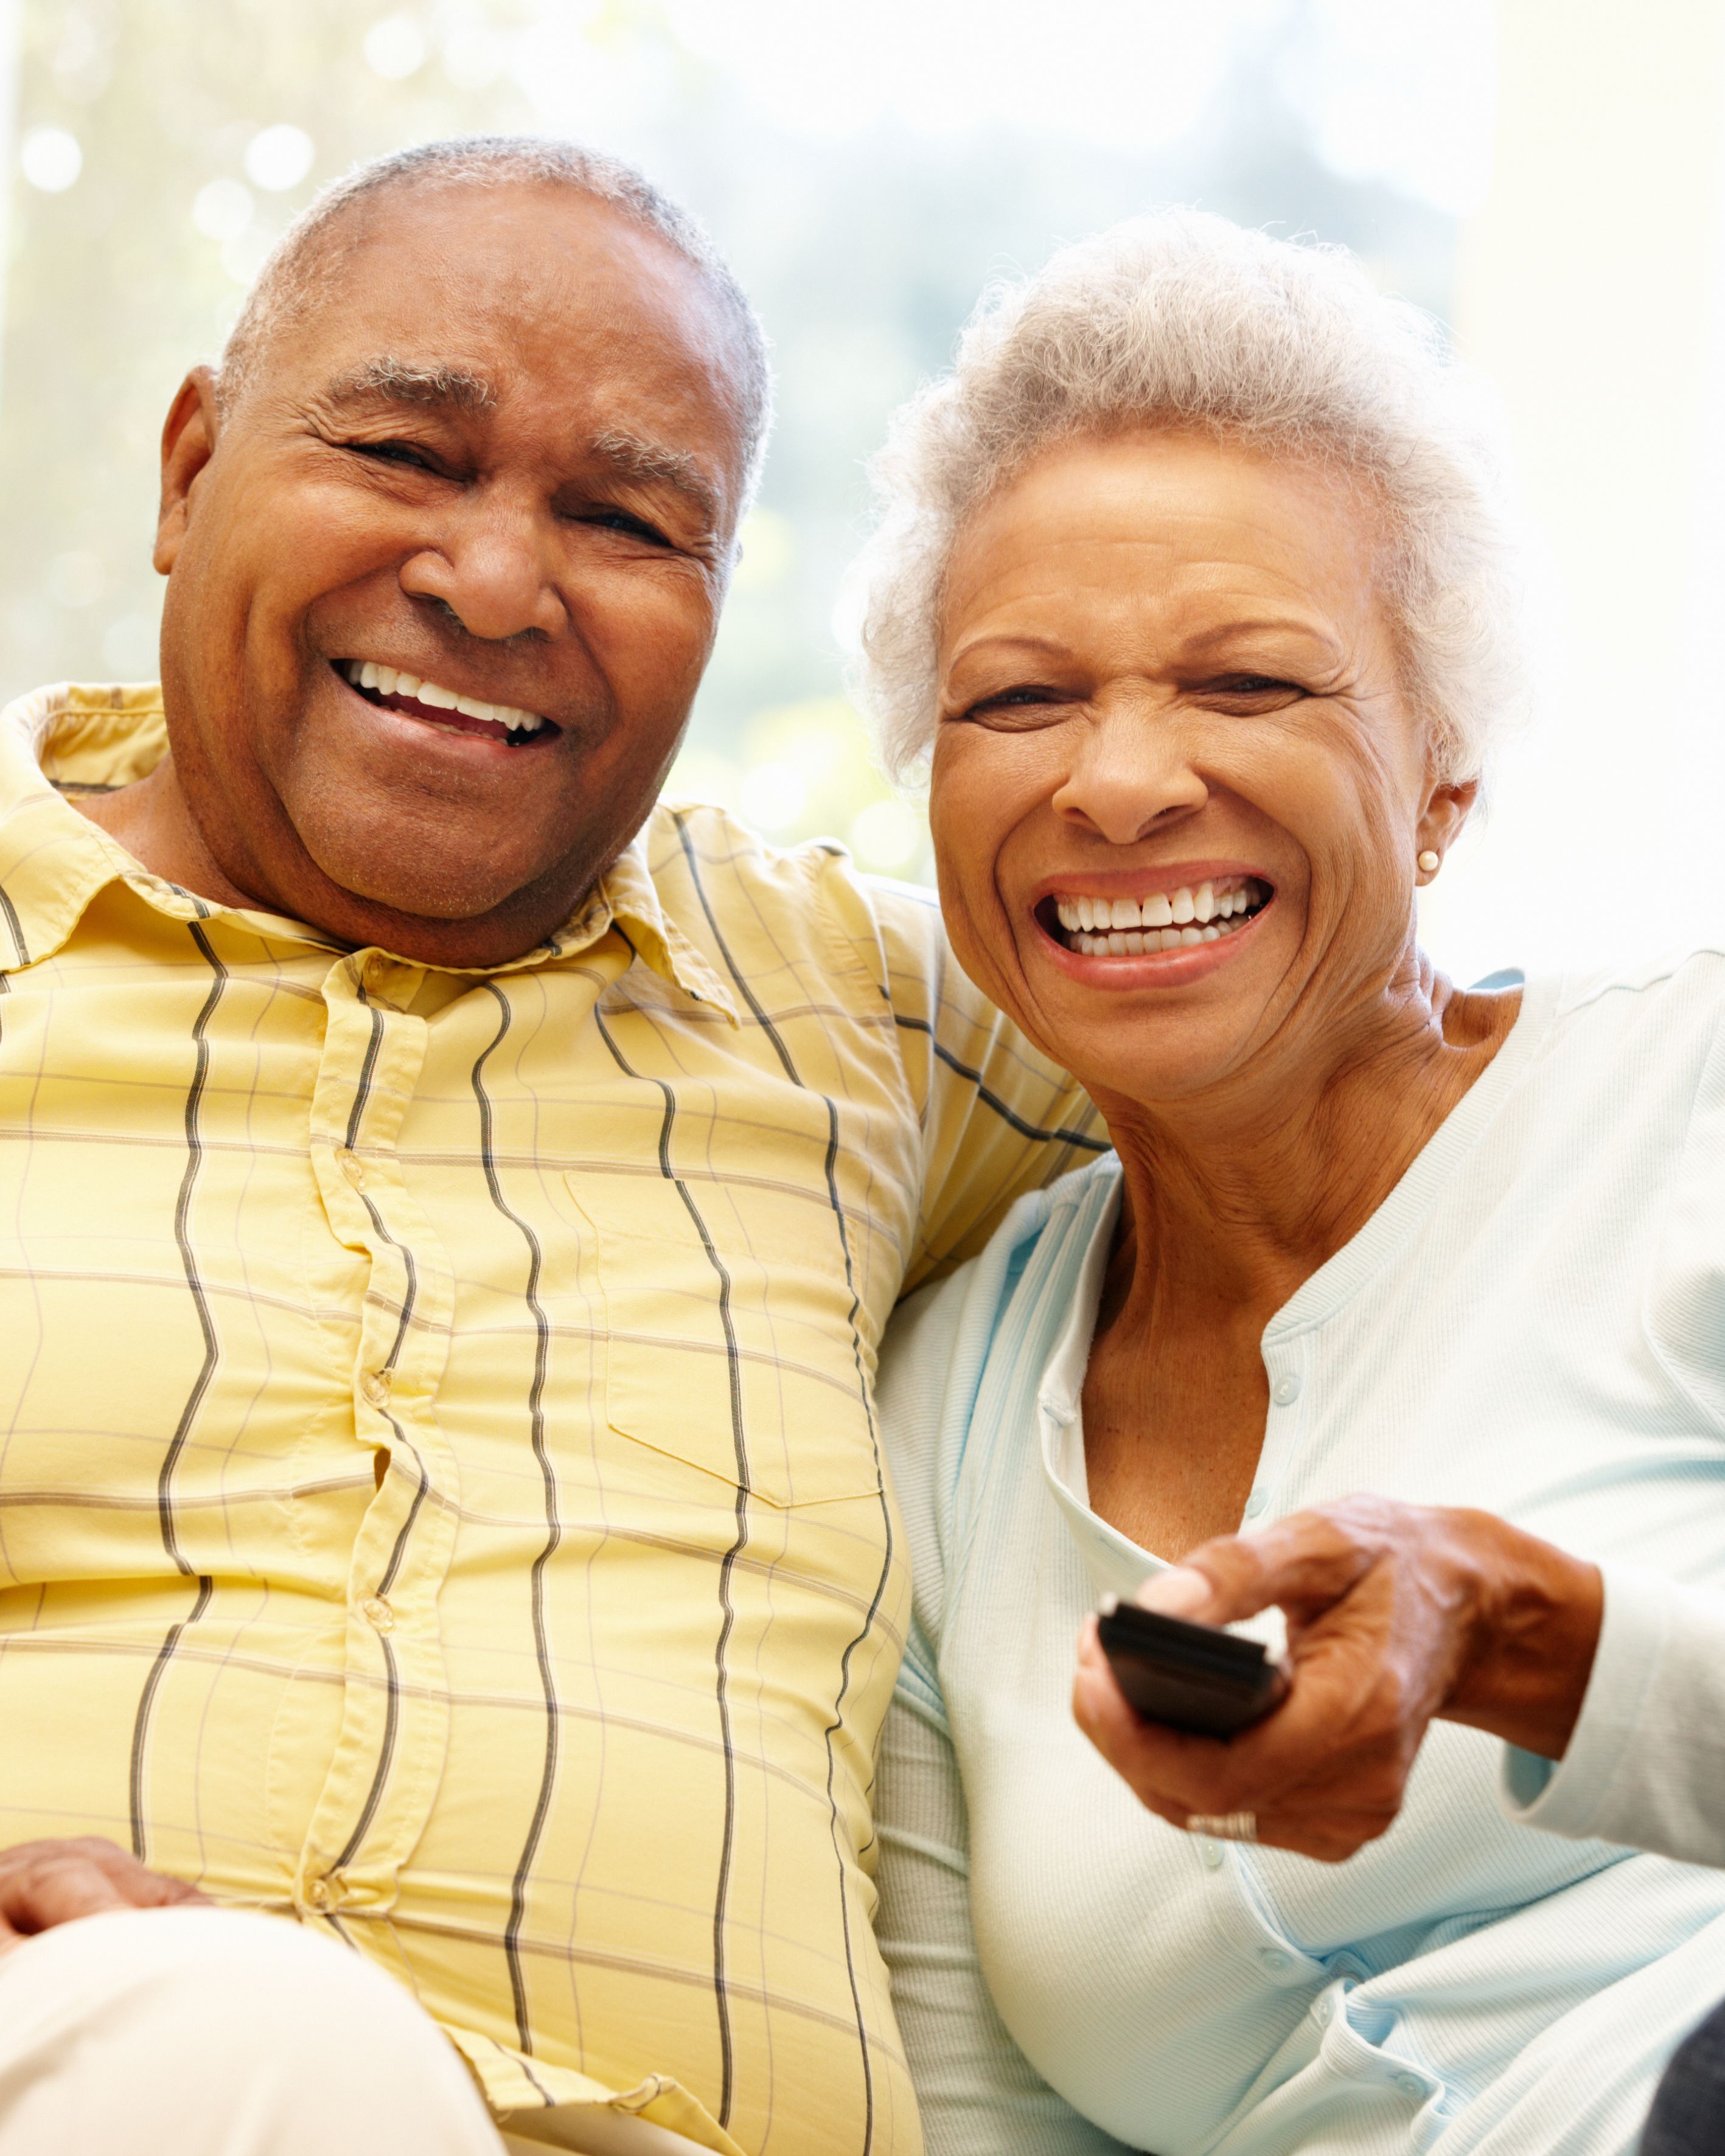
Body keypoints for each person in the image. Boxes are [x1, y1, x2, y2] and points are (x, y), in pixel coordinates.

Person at [0, 137, 1105, 2156]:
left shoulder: (858, 1014)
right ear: (185, 475)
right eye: (406, 455)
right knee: (241, 2051)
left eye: (622, 520)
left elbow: (1362, 1075)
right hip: (111, 2078)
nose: (495, 583)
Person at [860, 208, 1725, 2156]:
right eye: (1015, 701)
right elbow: (975, 2113)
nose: (1117, 783)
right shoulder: (941, 1406)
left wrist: (1531, 1639)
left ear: (1440, 769)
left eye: (1248, 684)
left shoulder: (1690, 1100)